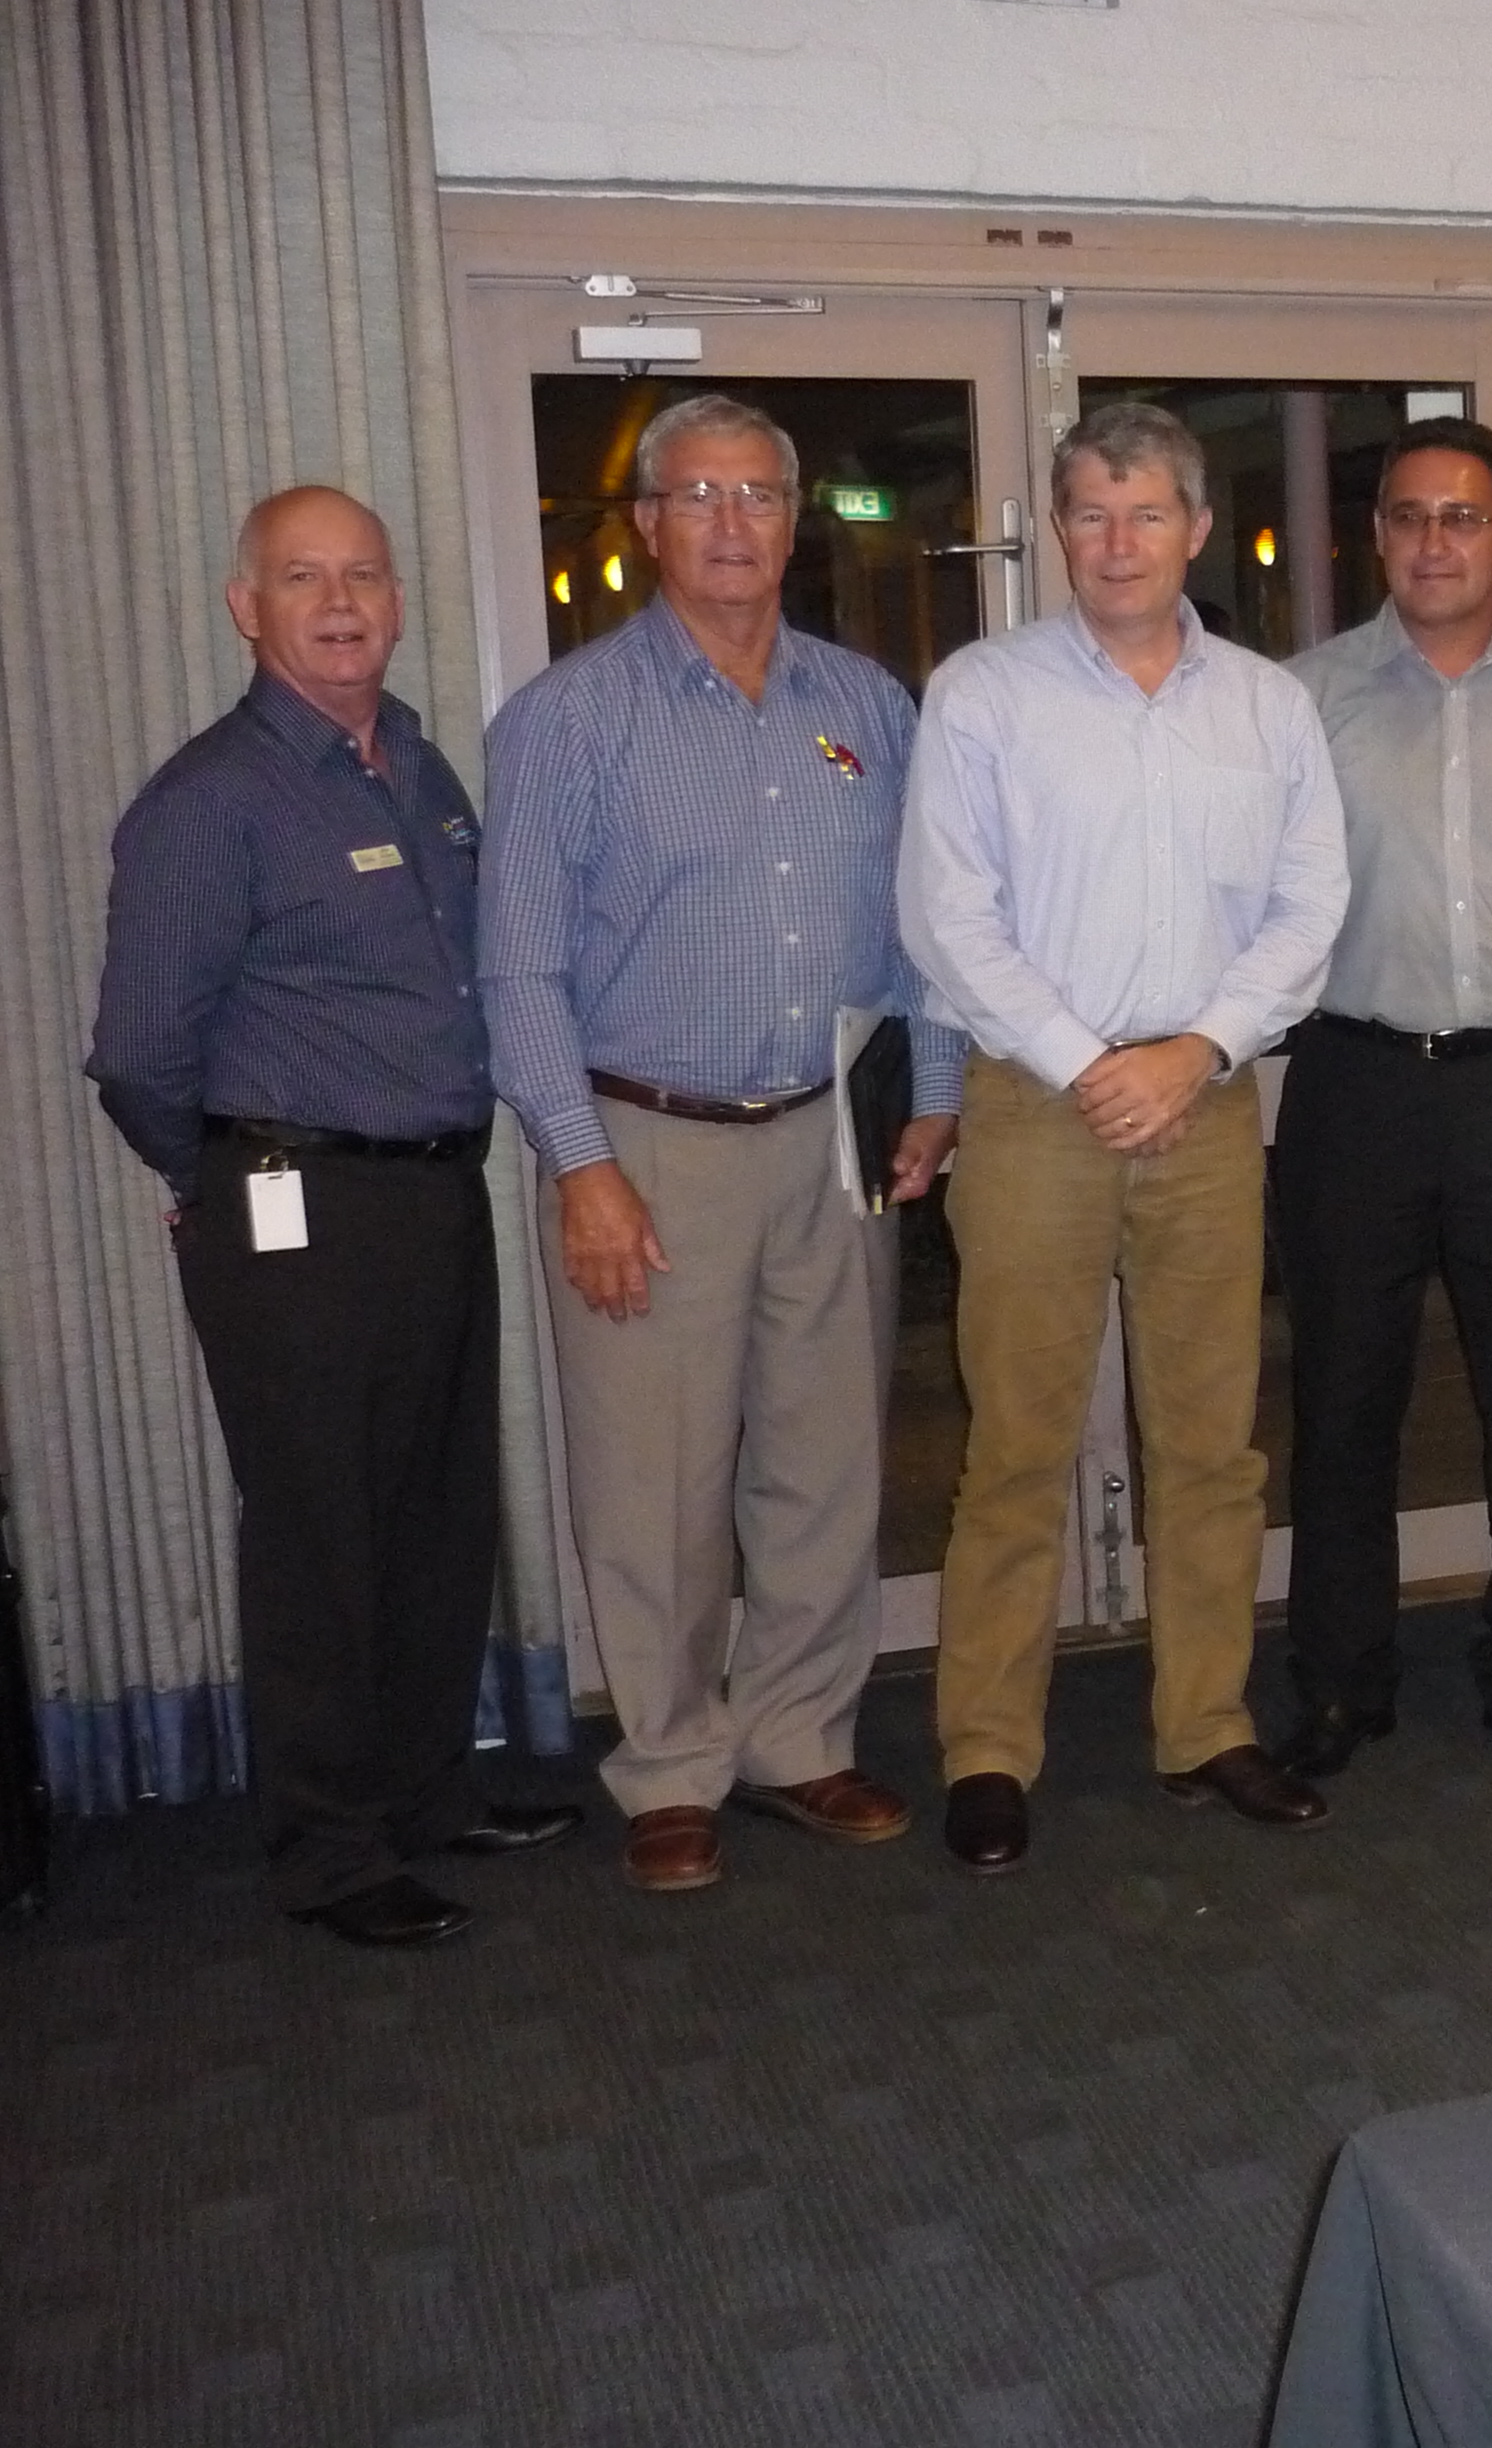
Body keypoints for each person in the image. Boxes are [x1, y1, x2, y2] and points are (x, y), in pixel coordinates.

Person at [88, 486, 581, 1946]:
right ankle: (331, 1849)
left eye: (364, 572)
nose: (342, 600)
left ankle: (431, 1796)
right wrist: (215, 1180)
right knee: (319, 1531)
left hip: (432, 1190)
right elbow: (134, 1054)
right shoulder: (208, 802)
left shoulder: (419, 765)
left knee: (436, 1514)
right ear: (248, 608)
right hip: (290, 1204)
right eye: (305, 578)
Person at [482, 395, 959, 1894]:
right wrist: (580, 1163)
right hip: (647, 1145)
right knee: (657, 1481)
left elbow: (927, 927)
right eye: (701, 497)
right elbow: (516, 969)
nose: (736, 523)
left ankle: (801, 1738)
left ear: (794, 515)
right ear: (646, 526)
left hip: (829, 1131)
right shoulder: (568, 721)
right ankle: (673, 1761)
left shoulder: (869, 707)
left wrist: (934, 1090)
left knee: (825, 1464)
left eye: (760, 494)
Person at [901, 401, 1349, 1869]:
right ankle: (987, 1747)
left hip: (1210, 1104)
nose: (1116, 542)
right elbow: (946, 915)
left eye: (1146, 512)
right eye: (1089, 513)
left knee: (1211, 1443)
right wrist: (1095, 1062)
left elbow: (1310, 907)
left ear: (1197, 530)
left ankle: (1206, 1722)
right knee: (1018, 1444)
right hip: (1038, 1107)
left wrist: (1200, 1047)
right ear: (1053, 526)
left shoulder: (1266, 708)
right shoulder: (984, 695)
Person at [1271, 419, 1492, 1778]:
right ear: (1378, 538)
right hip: (1353, 1082)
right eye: (1410, 516)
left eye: (1463, 517)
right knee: (1343, 1399)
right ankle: (1340, 1682)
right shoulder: (1303, 701)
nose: (1435, 542)